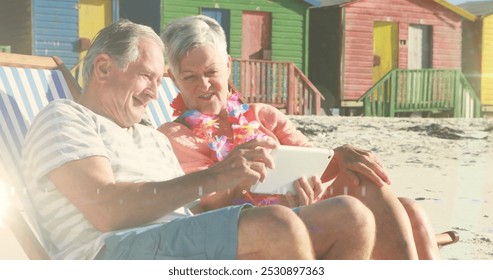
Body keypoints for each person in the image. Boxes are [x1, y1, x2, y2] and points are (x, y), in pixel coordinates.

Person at [20, 19, 377, 260]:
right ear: (102, 69)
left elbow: (190, 211)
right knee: (276, 226)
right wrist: (215, 176)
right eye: (147, 76)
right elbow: (105, 209)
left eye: (161, 80)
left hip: (174, 242)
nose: (155, 94)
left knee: (350, 216)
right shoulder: (65, 117)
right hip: (112, 253)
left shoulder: (148, 136)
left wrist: (268, 185)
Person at [157, 15, 440, 260]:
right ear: (174, 79)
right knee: (361, 210)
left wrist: (340, 155)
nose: (203, 85)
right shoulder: (174, 137)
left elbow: (317, 163)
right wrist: (241, 177)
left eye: (211, 72)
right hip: (250, 235)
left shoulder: (263, 116)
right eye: (190, 77)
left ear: (228, 66)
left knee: (401, 205)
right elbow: (205, 207)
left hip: (302, 213)